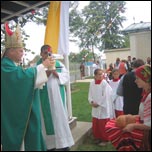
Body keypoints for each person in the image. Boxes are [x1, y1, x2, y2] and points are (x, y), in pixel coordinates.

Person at [1, 23, 53, 151]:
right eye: (20, 51)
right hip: (14, 115)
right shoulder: (5, 66)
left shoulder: (11, 65)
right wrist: (43, 66)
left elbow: (25, 79)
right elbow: (22, 79)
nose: (23, 53)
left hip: (17, 111)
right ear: (11, 51)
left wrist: (44, 72)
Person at [37, 45, 74, 151]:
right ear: (41, 54)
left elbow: (66, 78)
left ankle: (64, 145)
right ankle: (50, 146)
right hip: (44, 100)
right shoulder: (37, 66)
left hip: (58, 99)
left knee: (60, 120)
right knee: (47, 122)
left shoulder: (58, 64)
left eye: (50, 52)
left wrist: (55, 72)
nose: (49, 55)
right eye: (45, 52)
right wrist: (48, 71)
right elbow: (36, 81)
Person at [105, 64, 151, 151]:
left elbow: (149, 124)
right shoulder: (146, 94)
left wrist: (133, 126)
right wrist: (133, 117)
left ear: (146, 79)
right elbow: (146, 116)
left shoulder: (150, 97)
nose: (135, 81)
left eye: (138, 78)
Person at [88, 68, 115, 146]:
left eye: (102, 74)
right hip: (95, 106)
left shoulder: (104, 83)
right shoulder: (92, 83)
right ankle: (97, 137)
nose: (101, 76)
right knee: (96, 122)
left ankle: (105, 139)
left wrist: (98, 103)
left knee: (103, 123)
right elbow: (90, 94)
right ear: (95, 75)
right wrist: (91, 101)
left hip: (103, 106)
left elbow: (105, 96)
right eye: (99, 74)